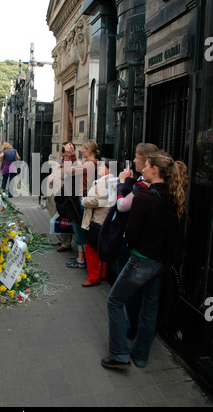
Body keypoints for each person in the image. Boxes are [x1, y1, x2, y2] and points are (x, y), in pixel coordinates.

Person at [101, 150, 188, 369]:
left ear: (154, 170)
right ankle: (140, 355)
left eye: (146, 164)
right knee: (149, 308)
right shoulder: (174, 195)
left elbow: (130, 234)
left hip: (141, 260)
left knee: (114, 300)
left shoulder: (144, 197)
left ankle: (119, 354)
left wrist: (134, 246)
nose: (143, 168)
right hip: (162, 263)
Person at [116, 143, 159, 338]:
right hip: (151, 250)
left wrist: (122, 183)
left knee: (125, 294)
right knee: (147, 299)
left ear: (147, 162)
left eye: (137, 156)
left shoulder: (144, 186)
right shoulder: (146, 183)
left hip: (138, 249)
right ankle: (136, 329)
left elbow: (122, 206)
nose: (133, 160)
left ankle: (131, 327)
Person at [61, 140, 100, 269]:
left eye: (83, 148)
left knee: (81, 230)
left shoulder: (90, 164)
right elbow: (75, 168)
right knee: (79, 228)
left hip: (83, 199)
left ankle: (81, 259)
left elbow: (68, 171)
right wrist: (72, 155)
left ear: (89, 150)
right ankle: (81, 257)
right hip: (83, 197)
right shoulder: (90, 163)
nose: (81, 150)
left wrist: (66, 153)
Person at [80, 158, 116, 286]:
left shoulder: (105, 181)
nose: (99, 168)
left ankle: (93, 277)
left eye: (101, 166)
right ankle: (101, 274)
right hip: (103, 219)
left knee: (91, 248)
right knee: (100, 248)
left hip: (96, 220)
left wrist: (84, 200)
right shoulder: (111, 181)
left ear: (108, 168)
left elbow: (97, 201)